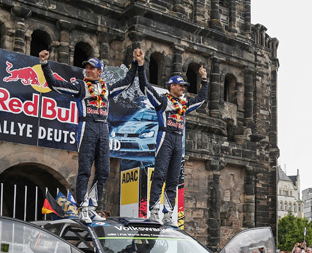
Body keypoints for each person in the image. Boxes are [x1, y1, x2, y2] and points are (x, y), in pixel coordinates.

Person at [38, 48, 141, 223]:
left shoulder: (107, 88)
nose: (88, 70)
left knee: (104, 171)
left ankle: (92, 206)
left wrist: (136, 62)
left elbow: (127, 81)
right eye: (87, 67)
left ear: (99, 72)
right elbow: (54, 84)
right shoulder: (81, 86)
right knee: (85, 169)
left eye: (92, 68)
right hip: (87, 125)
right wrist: (44, 64)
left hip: (103, 128)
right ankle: (82, 208)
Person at [136, 48, 208, 225]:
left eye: (184, 86)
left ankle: (168, 214)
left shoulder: (183, 106)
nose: (183, 88)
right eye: (181, 85)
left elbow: (200, 99)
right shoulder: (162, 101)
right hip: (164, 137)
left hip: (178, 140)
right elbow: (145, 87)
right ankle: (154, 211)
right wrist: (140, 65)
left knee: (174, 180)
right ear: (172, 86)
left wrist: (204, 79)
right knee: (159, 175)